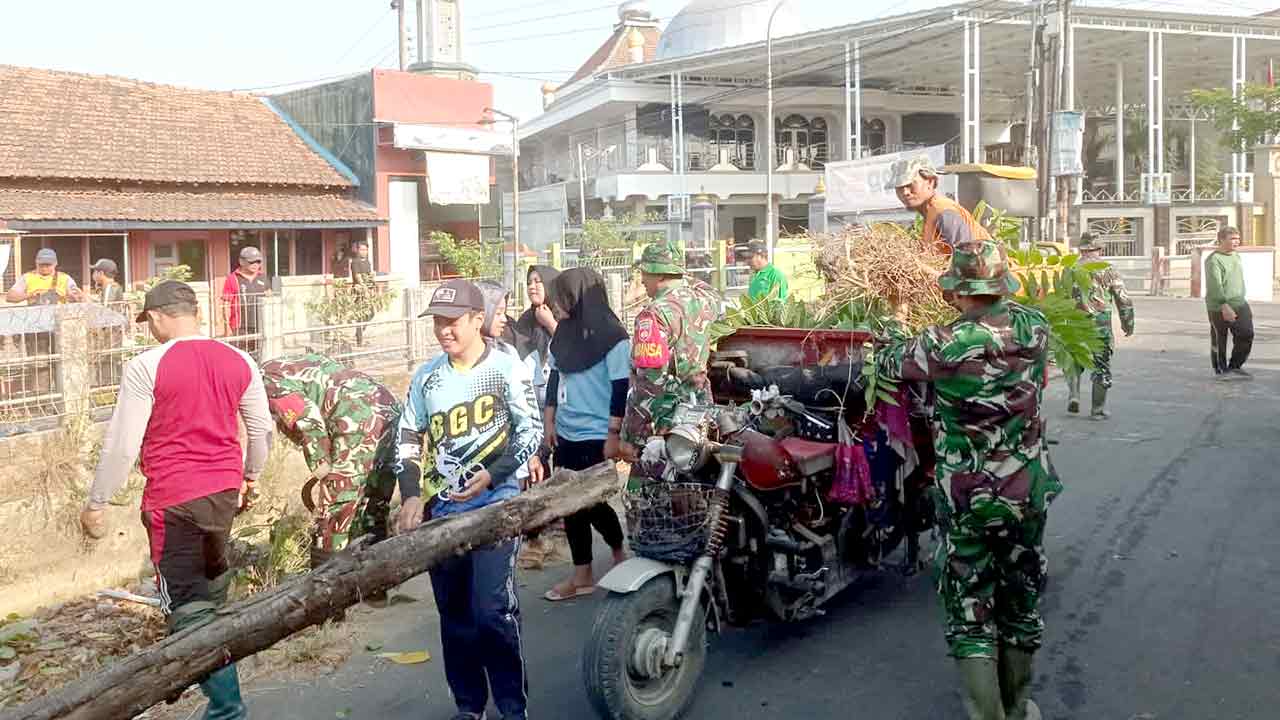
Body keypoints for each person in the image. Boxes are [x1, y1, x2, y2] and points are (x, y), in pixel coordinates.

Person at [876, 241, 1060, 720]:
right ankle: (1019, 708)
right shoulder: (1035, 329)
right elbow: (1008, 315)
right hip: (1027, 489)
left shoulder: (940, 344)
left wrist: (898, 320)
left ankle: (988, 715)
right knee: (1020, 596)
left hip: (968, 495)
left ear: (957, 291)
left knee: (969, 603)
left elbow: (889, 364)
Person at [80, 280, 273, 720]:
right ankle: (225, 690)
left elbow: (123, 445)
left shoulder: (146, 365)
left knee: (188, 608)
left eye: (147, 321)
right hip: (224, 491)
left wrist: (98, 501)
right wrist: (251, 476)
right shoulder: (240, 359)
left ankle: (226, 710)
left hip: (174, 499)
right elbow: (260, 430)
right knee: (212, 591)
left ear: (157, 317)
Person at [393, 279, 543, 720]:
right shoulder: (427, 378)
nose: (444, 330)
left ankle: (513, 708)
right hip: (443, 511)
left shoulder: (505, 367)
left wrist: (494, 475)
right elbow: (407, 436)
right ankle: (469, 706)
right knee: (455, 616)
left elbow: (530, 430)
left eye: (452, 321)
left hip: (497, 505)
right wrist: (411, 495)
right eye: (437, 322)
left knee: (492, 612)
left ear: (478, 320)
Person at [259, 353, 400, 569]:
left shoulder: (266, 379)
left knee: (336, 509)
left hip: (356, 419)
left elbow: (308, 421)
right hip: (388, 407)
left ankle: (327, 587)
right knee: (374, 502)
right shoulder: (285, 364)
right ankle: (375, 585)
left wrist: (321, 467)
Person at [541, 268, 630, 602]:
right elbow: (554, 379)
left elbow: (621, 387)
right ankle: (582, 575)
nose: (556, 304)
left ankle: (619, 548)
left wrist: (613, 434)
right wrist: (549, 423)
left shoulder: (615, 337)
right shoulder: (563, 333)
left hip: (596, 433)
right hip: (566, 431)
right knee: (568, 503)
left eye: (562, 297)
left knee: (591, 501)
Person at [619, 241, 720, 472]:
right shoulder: (707, 301)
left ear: (658, 274)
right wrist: (680, 275)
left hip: (665, 424)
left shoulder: (654, 314)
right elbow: (708, 289)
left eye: (644, 273)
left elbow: (648, 384)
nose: (642, 280)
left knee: (650, 499)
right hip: (701, 413)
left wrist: (631, 436)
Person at [1065, 234, 1134, 418]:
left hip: (1074, 322)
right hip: (1100, 324)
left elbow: (1060, 296)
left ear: (1081, 249)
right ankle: (1097, 409)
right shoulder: (1108, 269)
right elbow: (1123, 298)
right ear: (1099, 249)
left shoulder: (1069, 268)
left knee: (1073, 359)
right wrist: (1128, 323)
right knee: (1101, 365)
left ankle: (1074, 395)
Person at [888, 155, 991, 248]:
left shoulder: (943, 211)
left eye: (910, 185)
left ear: (930, 182)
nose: (905, 192)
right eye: (899, 188)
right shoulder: (930, 213)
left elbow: (969, 258)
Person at [1205, 225, 1253, 380]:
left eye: (1238, 238)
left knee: (1246, 334)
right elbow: (1215, 285)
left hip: (1240, 303)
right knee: (1220, 339)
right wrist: (1224, 305)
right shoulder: (1214, 260)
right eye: (1232, 239)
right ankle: (1221, 370)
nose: (1236, 241)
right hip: (1219, 306)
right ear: (1221, 240)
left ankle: (1235, 366)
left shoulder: (1235, 256)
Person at [514, 265, 561, 409]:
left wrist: (550, 323)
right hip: (533, 394)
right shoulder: (526, 320)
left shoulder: (565, 315)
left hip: (563, 393)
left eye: (537, 281)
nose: (531, 287)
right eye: (529, 283)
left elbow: (573, 346)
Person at [220, 246, 270, 359]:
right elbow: (226, 304)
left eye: (258, 261)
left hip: (261, 324)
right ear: (241, 262)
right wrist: (226, 327)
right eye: (251, 262)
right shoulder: (232, 279)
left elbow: (269, 298)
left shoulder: (263, 277)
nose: (256, 264)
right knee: (239, 357)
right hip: (240, 327)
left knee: (261, 355)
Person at [89, 258, 127, 387]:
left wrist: (86, 300)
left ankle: (108, 390)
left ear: (101, 273)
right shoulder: (108, 287)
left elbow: (105, 310)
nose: (93, 275)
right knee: (108, 361)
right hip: (111, 332)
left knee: (108, 361)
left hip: (110, 333)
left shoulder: (110, 287)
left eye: (95, 271)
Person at [348, 238, 376, 346]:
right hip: (359, 292)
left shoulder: (368, 262)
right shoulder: (355, 262)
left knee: (371, 313)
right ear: (357, 250)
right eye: (362, 249)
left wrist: (372, 287)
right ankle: (359, 341)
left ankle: (358, 333)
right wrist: (365, 291)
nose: (364, 252)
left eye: (365, 250)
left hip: (368, 291)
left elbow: (369, 276)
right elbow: (358, 277)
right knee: (360, 316)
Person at [744, 239, 789, 305]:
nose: (747, 261)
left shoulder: (776, 275)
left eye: (750, 257)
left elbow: (781, 303)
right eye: (746, 258)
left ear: (761, 256)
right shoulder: (754, 275)